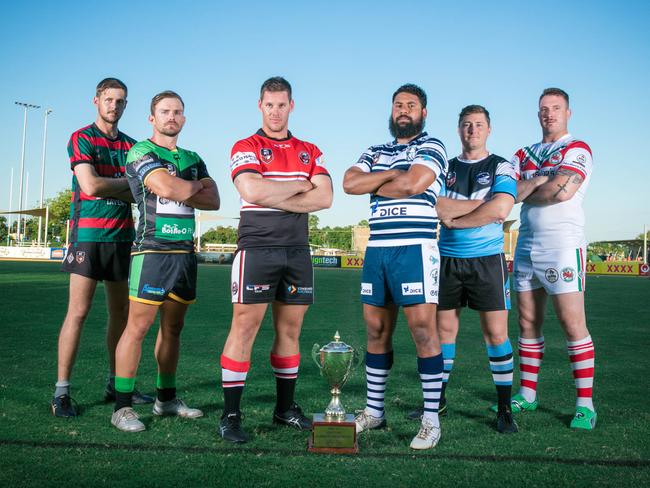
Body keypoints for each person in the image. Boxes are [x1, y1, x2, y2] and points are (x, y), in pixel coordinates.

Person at [218, 77, 333, 443]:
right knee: (245, 328)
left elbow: (326, 197)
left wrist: (276, 192)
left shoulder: (309, 149)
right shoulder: (246, 145)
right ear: (260, 105)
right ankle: (231, 415)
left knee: (290, 332)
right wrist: (302, 185)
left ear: (291, 106)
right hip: (257, 248)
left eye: (281, 105)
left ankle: (284, 409)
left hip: (297, 250)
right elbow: (251, 189)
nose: (275, 111)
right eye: (269, 104)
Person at [342, 84, 447, 450]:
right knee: (375, 330)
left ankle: (431, 420)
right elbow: (349, 183)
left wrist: (379, 181)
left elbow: (414, 183)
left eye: (411, 105)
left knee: (422, 331)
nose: (404, 110)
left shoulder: (432, 146)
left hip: (415, 249)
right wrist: (393, 178)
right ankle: (374, 411)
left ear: (423, 112)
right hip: (378, 251)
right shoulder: (375, 149)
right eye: (398, 105)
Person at [110, 91, 220, 432]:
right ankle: (122, 408)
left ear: (183, 119)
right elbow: (167, 188)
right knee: (138, 328)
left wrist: (182, 185)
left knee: (173, 329)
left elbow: (213, 200)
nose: (171, 116)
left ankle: (166, 399)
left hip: (184, 255)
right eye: (164, 111)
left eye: (177, 112)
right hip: (152, 251)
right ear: (152, 118)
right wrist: (192, 185)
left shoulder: (193, 156)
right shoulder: (141, 151)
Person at [407, 105, 518, 433]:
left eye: (479, 125)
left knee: (496, 334)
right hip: (447, 259)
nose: (472, 130)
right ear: (459, 129)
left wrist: (459, 218)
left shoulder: (502, 166)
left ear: (489, 129)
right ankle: (437, 400)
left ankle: (504, 408)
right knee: (444, 334)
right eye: (467, 125)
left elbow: (501, 208)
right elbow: (437, 207)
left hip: (488, 260)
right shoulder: (446, 168)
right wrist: (480, 209)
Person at [52, 78, 154, 417]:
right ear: (96, 100)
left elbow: (144, 193)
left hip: (123, 238)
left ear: (126, 105)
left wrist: (122, 187)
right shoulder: (82, 138)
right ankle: (62, 391)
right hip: (88, 237)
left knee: (120, 316)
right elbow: (90, 185)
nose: (114, 105)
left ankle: (116, 383)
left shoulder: (134, 147)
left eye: (120, 101)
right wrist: (126, 186)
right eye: (108, 99)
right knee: (78, 312)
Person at [509, 87, 596, 430]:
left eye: (556, 108)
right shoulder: (523, 152)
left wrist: (530, 185)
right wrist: (540, 180)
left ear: (568, 112)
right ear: (538, 113)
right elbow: (508, 193)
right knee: (527, 322)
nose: (549, 114)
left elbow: (564, 190)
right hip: (526, 242)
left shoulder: (577, 148)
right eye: (544, 108)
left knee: (572, 323)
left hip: (562, 244)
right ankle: (528, 395)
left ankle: (585, 406)